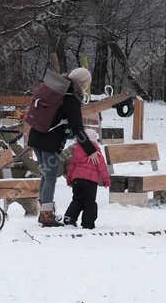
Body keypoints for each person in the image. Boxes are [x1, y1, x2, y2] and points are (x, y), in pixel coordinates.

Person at [27, 66, 98, 227]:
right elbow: (78, 128)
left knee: (46, 174)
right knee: (50, 176)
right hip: (49, 141)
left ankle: (44, 211)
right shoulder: (71, 97)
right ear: (83, 83)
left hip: (36, 136)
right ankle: (46, 215)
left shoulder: (57, 91)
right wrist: (90, 150)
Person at [63, 128, 111, 229]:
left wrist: (69, 179)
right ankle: (88, 223)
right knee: (90, 202)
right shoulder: (96, 151)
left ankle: (69, 218)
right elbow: (102, 167)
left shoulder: (76, 150)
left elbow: (71, 166)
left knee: (77, 200)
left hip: (77, 180)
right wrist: (106, 180)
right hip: (90, 182)